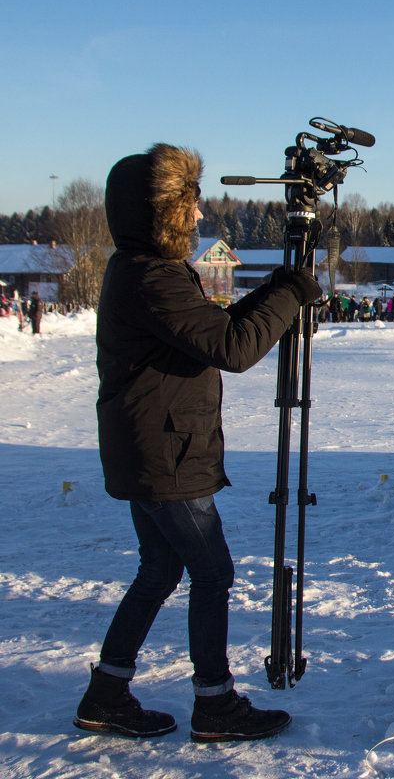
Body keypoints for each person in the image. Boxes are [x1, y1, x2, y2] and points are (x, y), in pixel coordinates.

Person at [76, 143, 323, 742]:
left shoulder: (143, 270)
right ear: (160, 212)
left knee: (159, 570)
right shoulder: (152, 276)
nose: (198, 211)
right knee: (212, 575)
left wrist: (277, 288)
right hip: (165, 457)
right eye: (187, 202)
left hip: (154, 448)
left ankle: (105, 695)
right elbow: (234, 349)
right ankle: (214, 703)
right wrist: (290, 292)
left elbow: (216, 330)